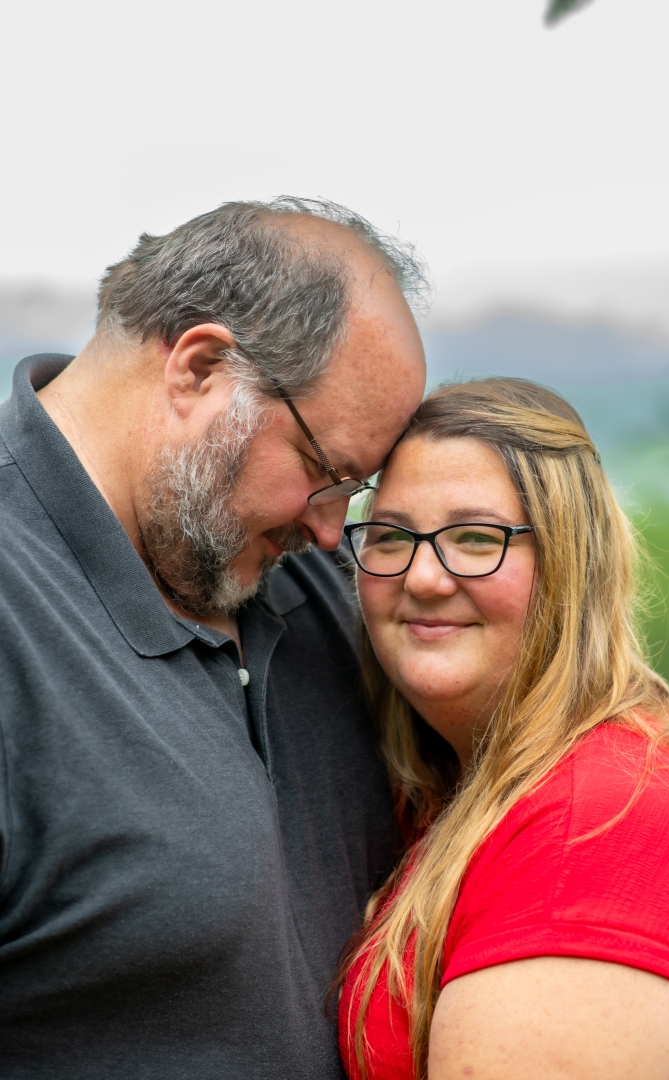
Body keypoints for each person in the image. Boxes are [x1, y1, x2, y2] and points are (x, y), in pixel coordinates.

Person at [0, 198, 427, 1079]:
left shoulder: (309, 579)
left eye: (356, 487)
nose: (326, 532)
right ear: (199, 366)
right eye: (320, 472)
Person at [339, 378, 669, 1080]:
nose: (422, 577)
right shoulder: (470, 783)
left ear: (574, 560)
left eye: (477, 537)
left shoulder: (600, 831)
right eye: (391, 536)